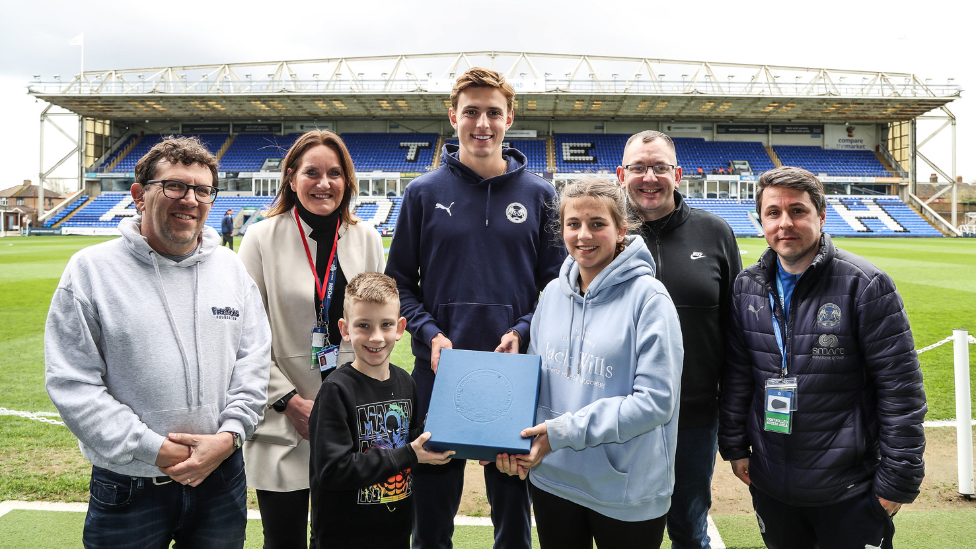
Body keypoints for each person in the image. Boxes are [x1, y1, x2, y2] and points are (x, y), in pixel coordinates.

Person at [44, 136, 272, 549]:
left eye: (203, 190)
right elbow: (72, 382)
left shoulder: (232, 270)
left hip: (221, 477)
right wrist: (153, 448)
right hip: (130, 484)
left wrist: (229, 436)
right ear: (139, 195)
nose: (191, 199)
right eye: (175, 186)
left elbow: (253, 362)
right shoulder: (90, 271)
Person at [385, 67, 565, 549]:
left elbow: (556, 285)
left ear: (509, 119)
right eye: (471, 112)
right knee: (432, 515)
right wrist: (430, 334)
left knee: (513, 520)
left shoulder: (541, 195)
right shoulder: (422, 193)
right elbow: (399, 282)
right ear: (453, 117)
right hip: (439, 372)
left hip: (514, 375)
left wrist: (523, 329)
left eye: (492, 112)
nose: (481, 123)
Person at [718, 167, 926, 549]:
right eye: (773, 213)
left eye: (797, 211)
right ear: (760, 219)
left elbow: (901, 391)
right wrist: (734, 446)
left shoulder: (865, 284)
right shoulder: (746, 286)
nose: (785, 223)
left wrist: (897, 481)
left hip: (849, 488)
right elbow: (738, 375)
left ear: (821, 215)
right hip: (772, 483)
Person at [496, 178, 683, 549]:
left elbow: (655, 402)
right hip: (553, 479)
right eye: (573, 224)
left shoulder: (650, 299)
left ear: (620, 229)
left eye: (597, 223)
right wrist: (506, 441)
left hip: (626, 490)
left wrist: (561, 433)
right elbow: (536, 383)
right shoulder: (551, 294)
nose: (584, 235)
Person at [239, 130, 386, 549]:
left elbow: (376, 328)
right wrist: (287, 400)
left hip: (349, 421)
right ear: (291, 178)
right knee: (283, 540)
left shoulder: (368, 238)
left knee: (347, 539)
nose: (324, 183)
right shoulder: (261, 238)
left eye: (335, 173)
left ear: (348, 181)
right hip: (284, 421)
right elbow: (242, 337)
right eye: (312, 172)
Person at [617, 130, 741, 549]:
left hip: (694, 416)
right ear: (621, 174)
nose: (649, 177)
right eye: (638, 167)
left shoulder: (715, 232)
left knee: (688, 526)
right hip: (619, 413)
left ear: (678, 174)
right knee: (625, 527)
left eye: (660, 168)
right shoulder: (603, 235)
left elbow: (735, 327)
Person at [308, 272, 454, 549]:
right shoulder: (336, 390)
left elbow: (411, 443)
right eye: (363, 325)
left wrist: (438, 433)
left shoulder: (406, 382)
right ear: (345, 329)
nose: (376, 337)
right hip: (342, 539)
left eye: (386, 325)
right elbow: (333, 470)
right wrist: (409, 454)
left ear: (400, 328)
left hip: (396, 535)